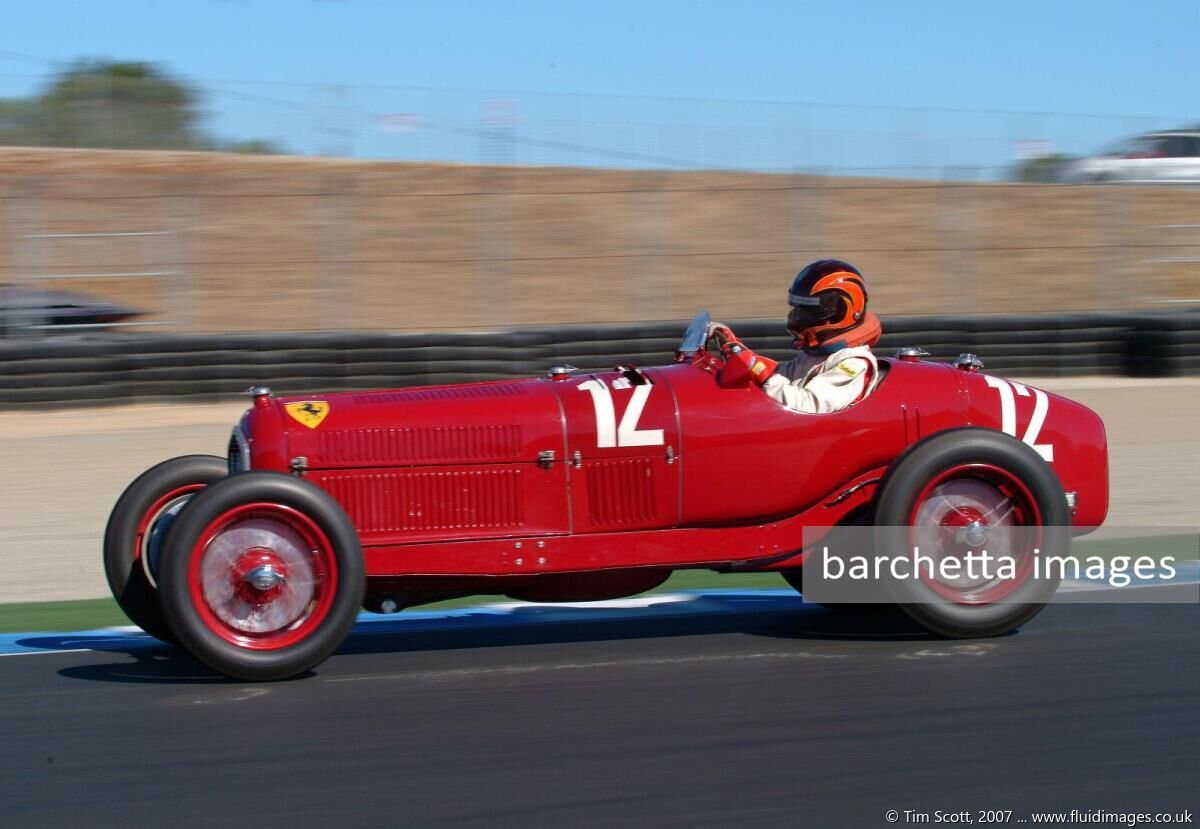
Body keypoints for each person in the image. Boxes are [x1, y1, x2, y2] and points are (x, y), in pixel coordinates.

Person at [716, 259, 883, 414]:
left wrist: (761, 371)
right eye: (800, 308)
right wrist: (741, 353)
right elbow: (780, 380)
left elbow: (808, 405)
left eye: (812, 311)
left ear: (845, 310)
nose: (801, 317)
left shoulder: (853, 363)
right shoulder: (815, 354)